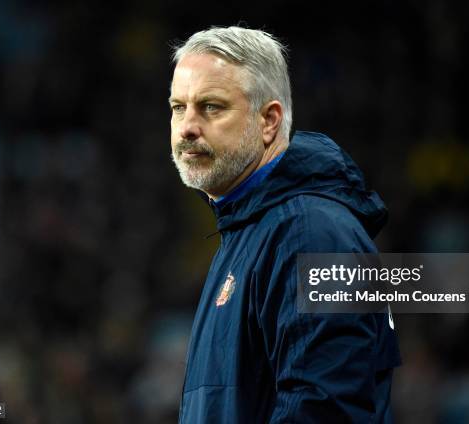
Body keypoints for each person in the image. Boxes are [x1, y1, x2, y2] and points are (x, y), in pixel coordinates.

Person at [169, 26, 401, 423]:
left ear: (269, 121)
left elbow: (324, 411)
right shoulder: (248, 229)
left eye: (211, 107)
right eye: (178, 107)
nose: (188, 126)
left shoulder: (311, 234)